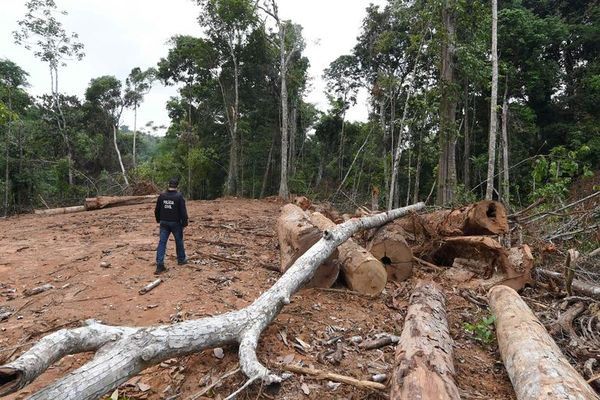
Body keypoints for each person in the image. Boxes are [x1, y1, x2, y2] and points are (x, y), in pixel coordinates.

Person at [154, 177, 188, 274]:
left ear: (168, 185)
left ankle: (160, 265)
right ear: (177, 186)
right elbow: (183, 212)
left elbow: (157, 210)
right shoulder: (179, 196)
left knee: (162, 242)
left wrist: (158, 220)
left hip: (164, 222)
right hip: (176, 223)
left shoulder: (162, 196)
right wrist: (185, 223)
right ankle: (181, 259)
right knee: (179, 241)